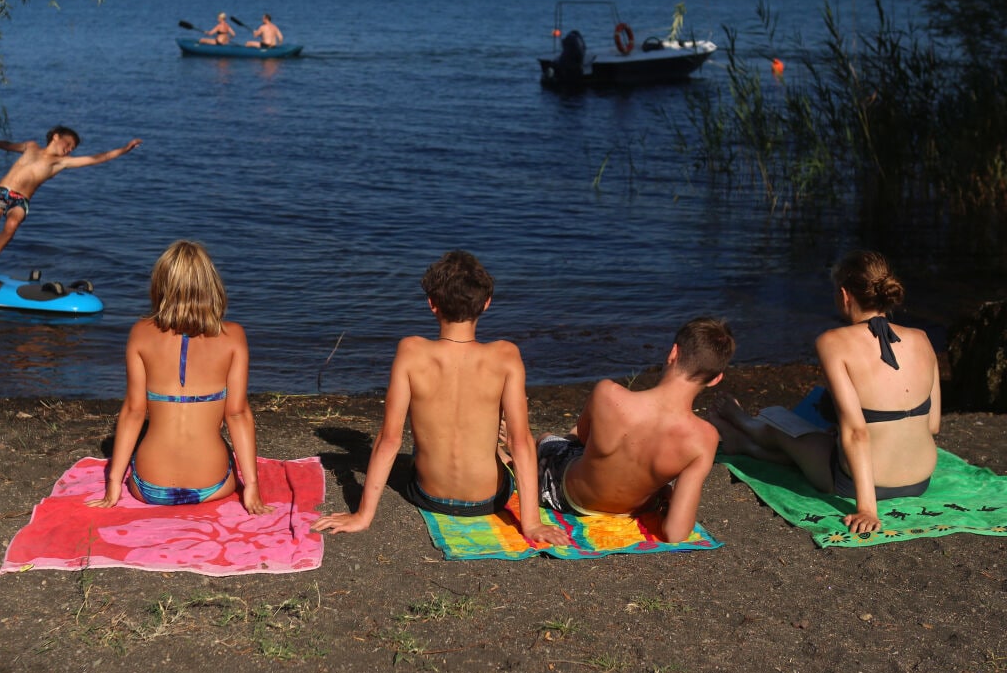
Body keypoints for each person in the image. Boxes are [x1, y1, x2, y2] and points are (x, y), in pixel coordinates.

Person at [312, 250, 571, 547]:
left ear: (432, 304)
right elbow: (522, 441)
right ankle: (497, 449)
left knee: (419, 445)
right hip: (488, 501)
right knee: (509, 438)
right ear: (486, 304)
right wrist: (532, 523)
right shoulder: (506, 356)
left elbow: (389, 439)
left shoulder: (410, 352)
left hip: (428, 496)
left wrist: (362, 515)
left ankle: (493, 448)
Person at [709, 250, 941, 535]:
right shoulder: (923, 339)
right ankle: (745, 445)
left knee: (783, 421)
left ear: (844, 295)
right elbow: (932, 424)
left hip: (862, 482)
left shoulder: (833, 342)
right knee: (826, 442)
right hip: (920, 478)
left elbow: (857, 432)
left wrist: (867, 508)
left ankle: (747, 424)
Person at [87, 240, 273, 514]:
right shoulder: (233, 337)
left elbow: (133, 411)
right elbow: (237, 414)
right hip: (213, 484)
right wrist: (252, 487)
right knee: (220, 432)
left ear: (160, 286)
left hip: (148, 486)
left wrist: (113, 484)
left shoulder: (140, 333)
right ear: (211, 286)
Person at [535, 318, 736, 544]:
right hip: (633, 509)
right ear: (716, 379)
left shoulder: (608, 394)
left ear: (673, 353)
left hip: (569, 497)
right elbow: (676, 533)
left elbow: (583, 438)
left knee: (547, 439)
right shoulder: (704, 439)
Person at [0, 126, 142, 274]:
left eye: (73, 148)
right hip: (2, 191)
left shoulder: (61, 162)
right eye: (69, 144)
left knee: (12, 224)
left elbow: (96, 158)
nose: (70, 149)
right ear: (56, 137)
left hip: (21, 200)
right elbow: (7, 145)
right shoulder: (31, 147)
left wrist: (125, 149)